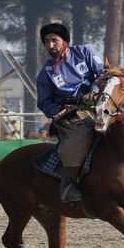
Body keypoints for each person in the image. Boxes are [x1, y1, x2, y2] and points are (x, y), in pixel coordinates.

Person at [35, 21, 105, 203]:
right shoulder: (46, 73)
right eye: (46, 42)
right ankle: (68, 185)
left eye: (54, 40)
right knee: (81, 134)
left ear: (64, 40)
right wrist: (60, 110)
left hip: (99, 106)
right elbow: (44, 103)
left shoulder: (84, 52)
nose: (50, 45)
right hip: (71, 116)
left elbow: (102, 75)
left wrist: (93, 94)